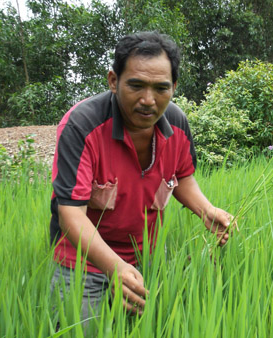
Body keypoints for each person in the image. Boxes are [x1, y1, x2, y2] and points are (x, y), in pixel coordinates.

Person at [49, 31, 235, 320]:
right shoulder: (82, 125)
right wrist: (116, 268)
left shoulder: (177, 123)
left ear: (173, 86)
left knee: (165, 323)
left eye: (161, 88)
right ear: (114, 81)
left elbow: (182, 175)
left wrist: (206, 210)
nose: (148, 100)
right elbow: (70, 215)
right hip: (81, 262)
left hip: (145, 257)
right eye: (136, 85)